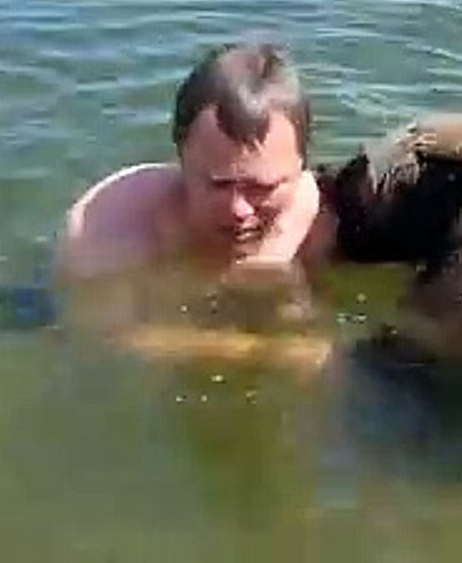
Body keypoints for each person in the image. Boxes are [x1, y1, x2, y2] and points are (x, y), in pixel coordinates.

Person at [57, 41, 338, 372]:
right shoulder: (107, 225)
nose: (239, 209)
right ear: (180, 154)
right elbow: (103, 334)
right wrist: (261, 352)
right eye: (219, 184)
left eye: (262, 188)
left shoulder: (310, 210)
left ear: (301, 166)